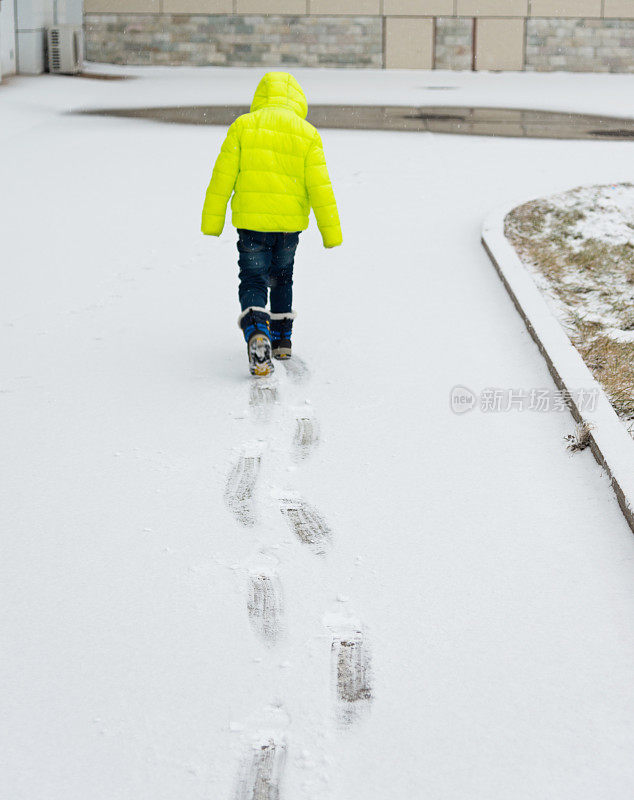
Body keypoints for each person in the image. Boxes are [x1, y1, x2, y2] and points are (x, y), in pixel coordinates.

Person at [201, 71, 342, 377]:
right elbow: (321, 187)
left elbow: (221, 178)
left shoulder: (243, 127)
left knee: (253, 279)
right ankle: (281, 341)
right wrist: (331, 231)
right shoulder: (307, 133)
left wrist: (212, 220)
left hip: (251, 224)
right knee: (282, 276)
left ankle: (256, 332)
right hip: (288, 227)